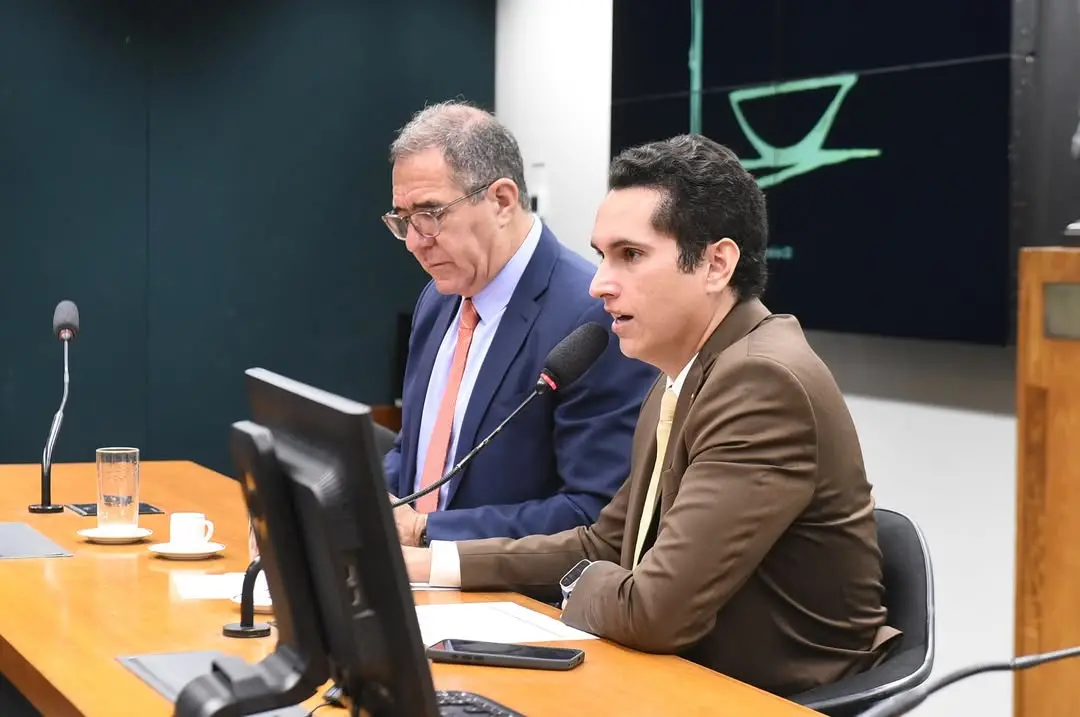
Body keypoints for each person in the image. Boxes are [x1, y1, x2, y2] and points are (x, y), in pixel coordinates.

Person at [403, 134, 900, 697]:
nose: (599, 285)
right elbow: (602, 544)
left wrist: (583, 586)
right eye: (601, 255)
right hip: (679, 677)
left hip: (767, 697)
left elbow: (654, 612)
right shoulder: (683, 372)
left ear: (716, 263)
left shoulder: (762, 383)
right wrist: (425, 564)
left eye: (630, 256)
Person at [381, 101, 657, 550]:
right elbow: (412, 455)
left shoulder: (592, 316)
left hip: (513, 600)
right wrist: (349, 501)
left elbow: (594, 511)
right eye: (403, 220)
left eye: (430, 215)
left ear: (502, 201)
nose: (414, 242)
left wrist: (428, 533)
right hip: (411, 583)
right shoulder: (438, 298)